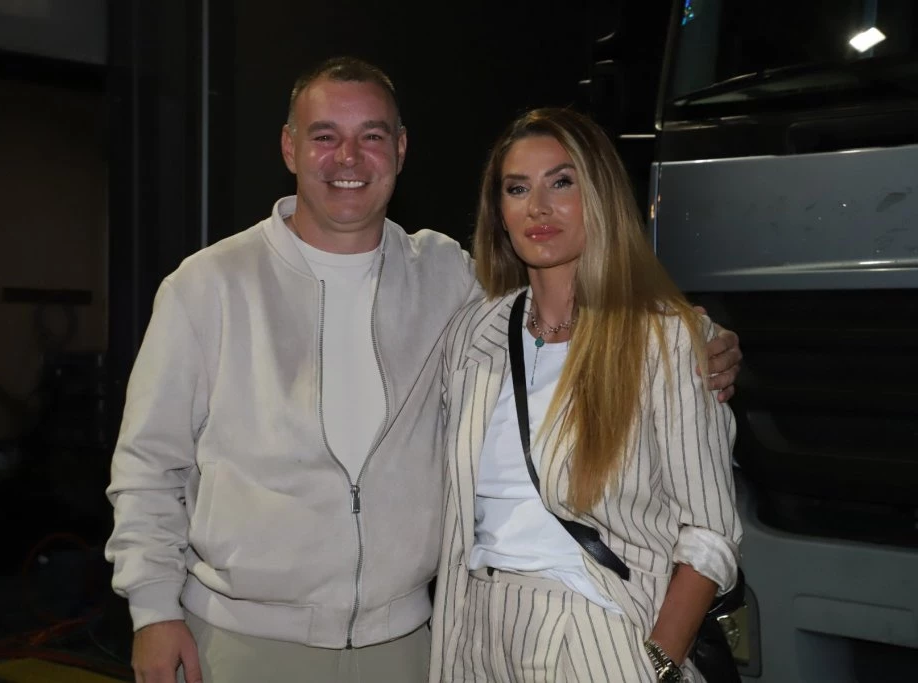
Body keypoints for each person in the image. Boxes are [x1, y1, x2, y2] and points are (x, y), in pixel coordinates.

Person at [105, 58, 742, 683]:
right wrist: (152, 609)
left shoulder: (447, 280)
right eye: (325, 136)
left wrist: (700, 338)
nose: (348, 158)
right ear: (289, 147)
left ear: (401, 149)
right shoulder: (209, 286)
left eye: (371, 136)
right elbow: (148, 466)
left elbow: (594, 319)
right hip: (242, 643)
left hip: (409, 647)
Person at [429, 108, 742, 683]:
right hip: (474, 627)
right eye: (517, 189)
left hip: (598, 628)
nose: (537, 207)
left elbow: (710, 531)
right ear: (499, 212)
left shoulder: (665, 338)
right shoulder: (474, 333)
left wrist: (659, 659)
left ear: (599, 196)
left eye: (561, 183)